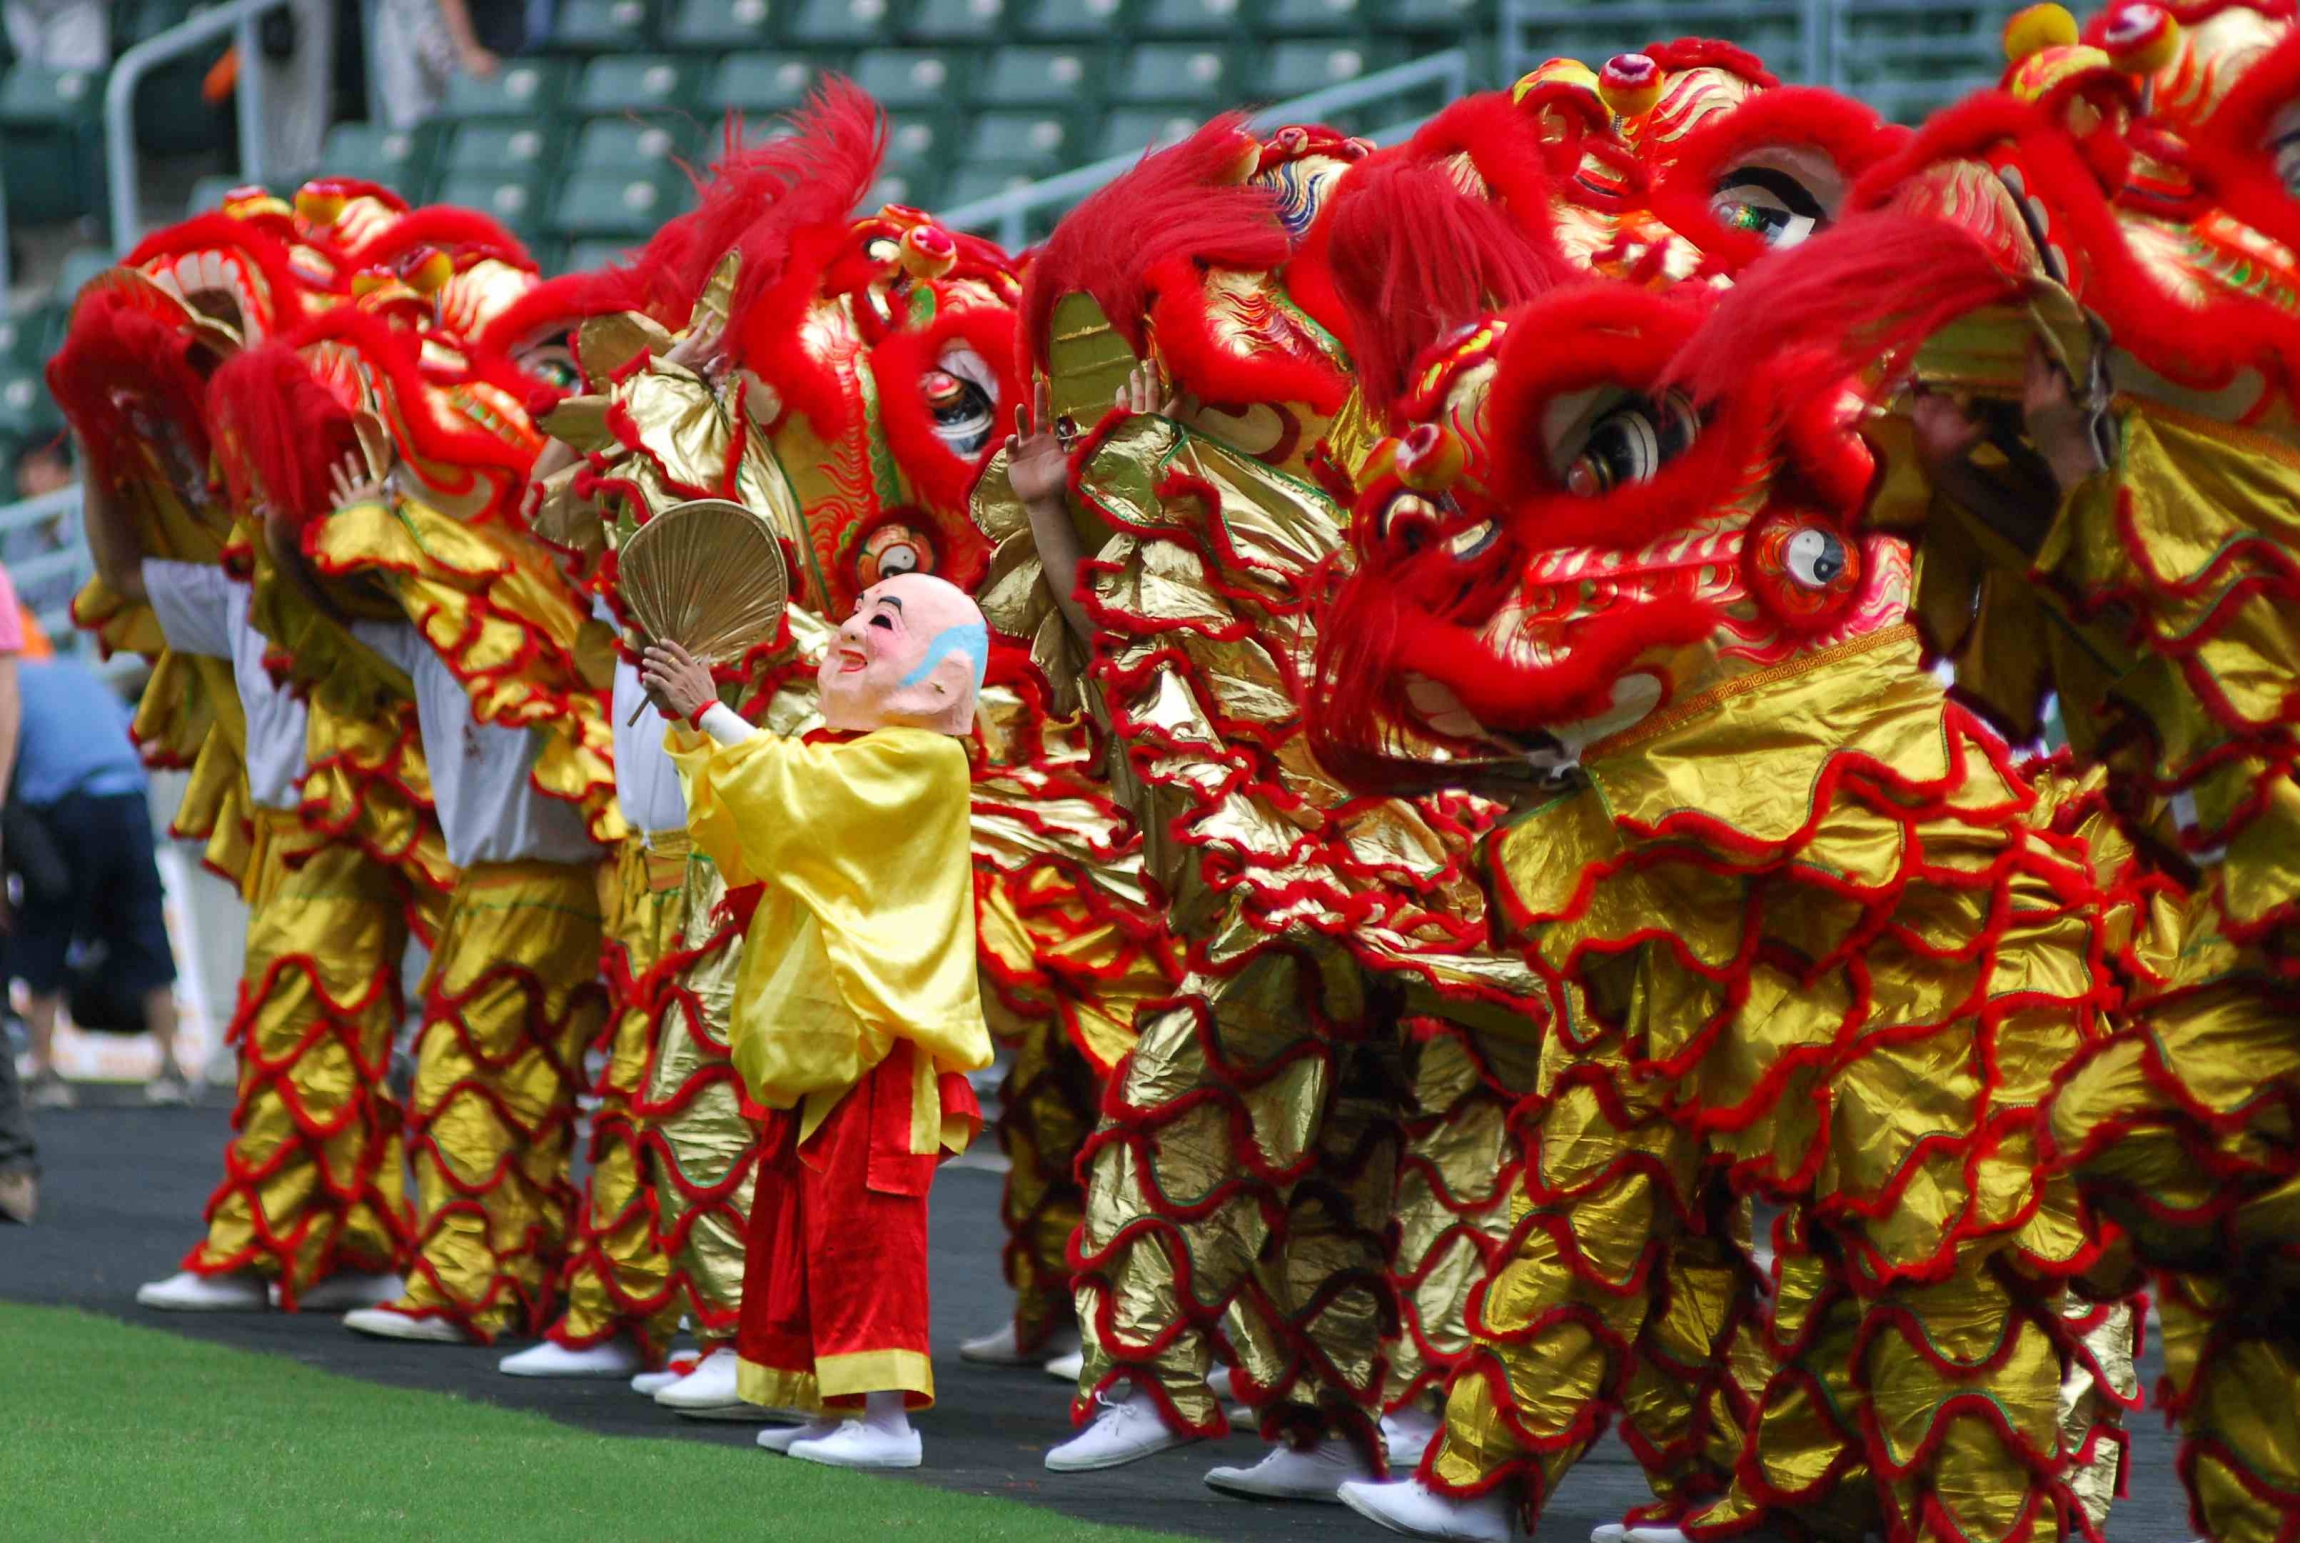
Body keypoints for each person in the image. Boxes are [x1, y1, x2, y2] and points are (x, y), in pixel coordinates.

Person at [641, 574, 996, 1471]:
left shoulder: (926, 762)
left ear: (942, 683)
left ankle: (887, 1422)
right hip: (820, 1043)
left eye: (886, 620)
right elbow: (759, 826)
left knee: (867, 1231)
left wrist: (712, 713)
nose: (853, 627)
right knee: (809, 1230)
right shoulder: (833, 750)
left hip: (878, 1045)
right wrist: (696, 729)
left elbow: (803, 796)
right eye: (858, 609)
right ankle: (837, 1407)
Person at [8, 649, 189, 1110]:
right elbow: (137, 735)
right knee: (146, 929)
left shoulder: (11, 683)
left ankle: (43, 1071)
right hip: (127, 797)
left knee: (48, 924)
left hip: (66, 803)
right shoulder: (77, 673)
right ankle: (172, 1068)